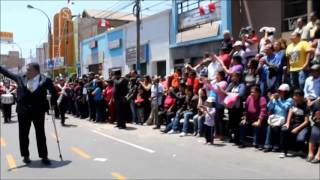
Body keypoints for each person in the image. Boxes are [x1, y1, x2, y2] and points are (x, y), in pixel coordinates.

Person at [0, 63, 58, 165]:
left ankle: (44, 156)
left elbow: (54, 93)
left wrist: (50, 106)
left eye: (29, 70)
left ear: (36, 71)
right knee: (23, 134)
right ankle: (25, 155)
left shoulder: (45, 80)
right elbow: (7, 73)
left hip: (38, 111)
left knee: (40, 134)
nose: (26, 72)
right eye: (26, 70)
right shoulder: (20, 77)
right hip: (23, 111)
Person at [280, 89, 310, 158]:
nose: (294, 97)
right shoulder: (293, 103)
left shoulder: (306, 106)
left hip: (303, 126)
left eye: (296, 96)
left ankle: (303, 151)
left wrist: (297, 129)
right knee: (284, 129)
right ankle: (283, 151)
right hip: (293, 124)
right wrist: (287, 123)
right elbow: (290, 111)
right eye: (294, 95)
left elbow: (306, 122)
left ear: (301, 97)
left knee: (300, 139)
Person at [264, 84, 293, 152]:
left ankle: (276, 145)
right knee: (269, 126)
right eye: (279, 91)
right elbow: (269, 107)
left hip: (283, 119)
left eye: (281, 91)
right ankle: (267, 145)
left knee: (276, 127)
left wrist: (277, 100)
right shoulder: (276, 99)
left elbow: (285, 107)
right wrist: (271, 100)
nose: (280, 93)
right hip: (276, 118)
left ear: (286, 92)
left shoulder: (289, 100)